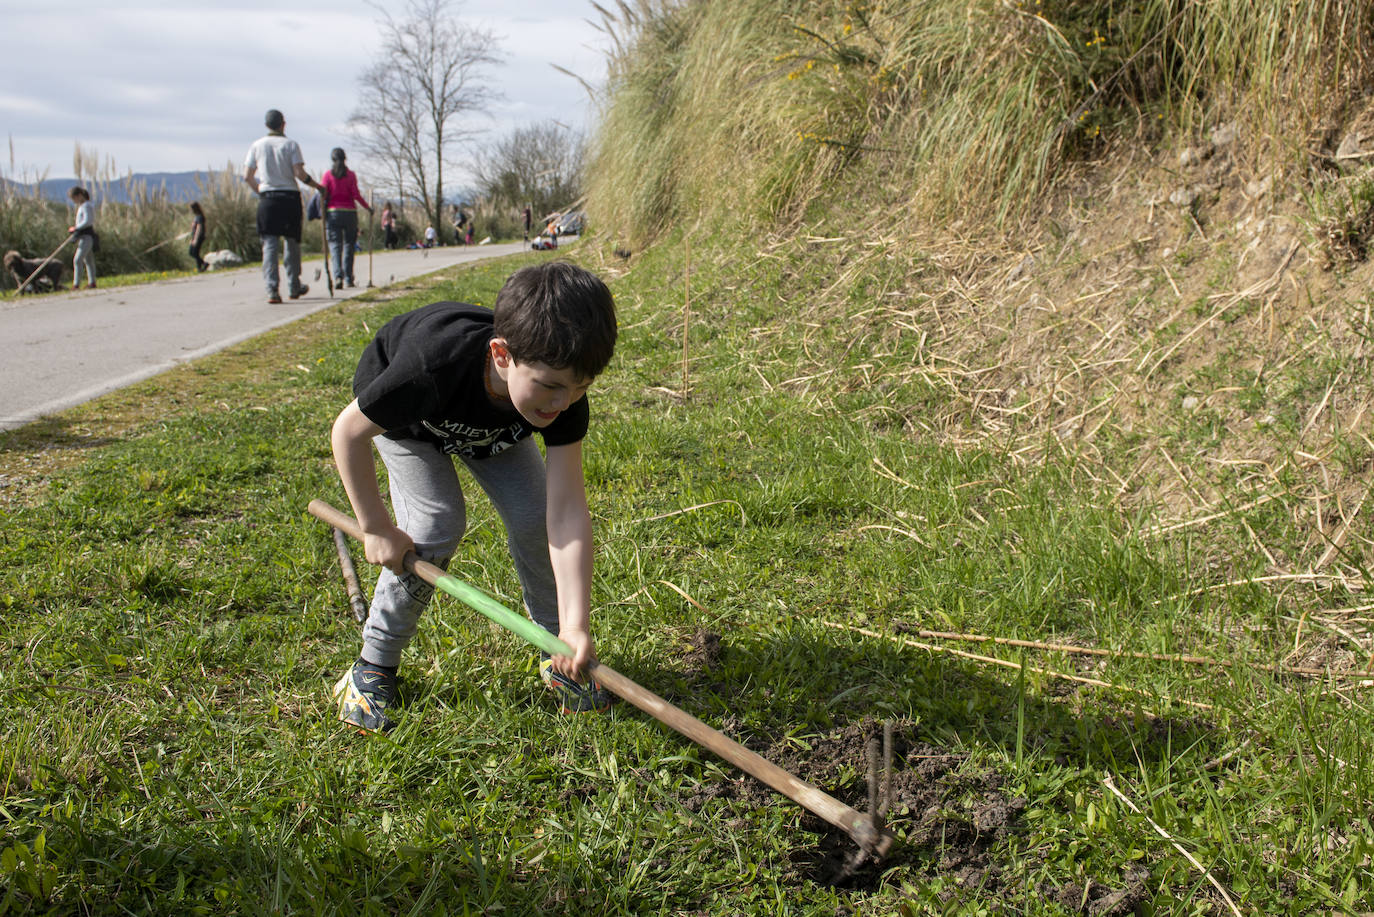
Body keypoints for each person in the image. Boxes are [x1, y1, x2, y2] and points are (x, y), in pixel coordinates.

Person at [329, 261, 618, 732]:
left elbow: (564, 513)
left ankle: (556, 649)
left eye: (579, 389)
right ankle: (373, 665)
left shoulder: (557, 394)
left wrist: (576, 624)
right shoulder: (429, 366)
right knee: (436, 525)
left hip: (494, 425)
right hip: (410, 424)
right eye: (550, 387)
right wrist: (376, 527)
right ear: (503, 355)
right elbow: (347, 434)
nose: (562, 404)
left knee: (534, 515)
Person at [242, 109, 322, 304]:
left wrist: (260, 189)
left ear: (267, 125)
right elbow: (299, 173)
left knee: (269, 244)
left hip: (268, 198)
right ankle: (294, 285)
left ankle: (272, 289)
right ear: (283, 124)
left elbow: (247, 175)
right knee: (291, 243)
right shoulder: (291, 145)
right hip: (289, 197)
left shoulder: (257, 146)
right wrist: (317, 186)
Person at [320, 148, 373, 288]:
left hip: (333, 213)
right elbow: (356, 195)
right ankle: (349, 278)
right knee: (349, 245)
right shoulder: (350, 175)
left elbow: (323, 195)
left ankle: (338, 276)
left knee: (335, 245)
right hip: (350, 213)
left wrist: (321, 211)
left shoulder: (327, 176)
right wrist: (367, 207)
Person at [67, 186, 97, 289]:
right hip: (82, 236)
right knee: (88, 260)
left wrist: (76, 228)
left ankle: (76, 284)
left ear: (79, 196)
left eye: (74, 198)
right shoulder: (83, 206)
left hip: (87, 236)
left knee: (77, 259)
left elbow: (88, 221)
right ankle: (92, 282)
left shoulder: (86, 206)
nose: (73, 201)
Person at [188, 202, 208, 272]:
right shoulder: (196, 217)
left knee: (194, 252)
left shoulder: (200, 217)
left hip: (199, 237)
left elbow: (199, 229)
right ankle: (201, 267)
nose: (190, 210)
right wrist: (192, 238)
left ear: (194, 209)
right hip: (195, 237)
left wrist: (195, 239)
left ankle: (203, 265)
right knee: (192, 252)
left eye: (191, 209)